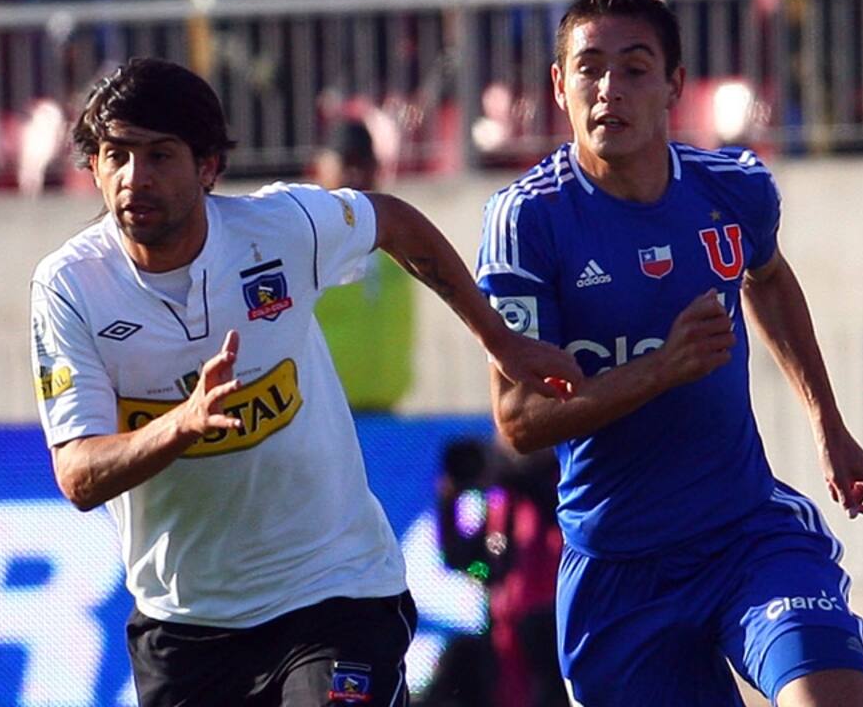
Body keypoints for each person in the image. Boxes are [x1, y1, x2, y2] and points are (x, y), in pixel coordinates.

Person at [29, 57, 580, 707]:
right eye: (115, 155)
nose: (133, 178)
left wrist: (499, 337)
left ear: (208, 167)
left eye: (158, 156)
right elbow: (78, 475)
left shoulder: (280, 229)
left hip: (334, 593)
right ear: (92, 166)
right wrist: (181, 422)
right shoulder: (70, 287)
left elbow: (392, 222)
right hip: (185, 624)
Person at [475, 0, 863, 706]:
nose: (609, 89)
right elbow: (517, 421)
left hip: (749, 539)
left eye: (634, 69)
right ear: (558, 85)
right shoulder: (528, 223)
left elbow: (767, 279)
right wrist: (661, 369)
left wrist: (829, 426)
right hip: (618, 573)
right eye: (589, 68)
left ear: (674, 86)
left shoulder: (734, 191)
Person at [421, 437, 567, 707]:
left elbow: (550, 508)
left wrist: (512, 476)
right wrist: (449, 502)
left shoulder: (564, 483)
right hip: (505, 635)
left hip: (554, 628)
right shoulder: (501, 503)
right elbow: (468, 562)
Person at [310, 119, 414, 412]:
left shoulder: (392, 238)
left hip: (386, 409)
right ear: (321, 166)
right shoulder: (308, 241)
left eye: (365, 164)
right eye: (346, 163)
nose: (356, 175)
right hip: (325, 411)